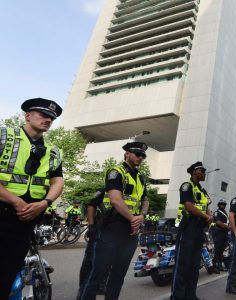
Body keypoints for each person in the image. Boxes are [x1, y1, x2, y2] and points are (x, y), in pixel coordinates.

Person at [0, 98, 64, 299]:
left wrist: (45, 203)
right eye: (43, 115)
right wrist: (15, 200)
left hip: (23, 222)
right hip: (4, 211)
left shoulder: (53, 151)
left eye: (51, 118)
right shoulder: (4, 135)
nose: (48, 120)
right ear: (27, 115)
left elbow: (57, 183)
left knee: (7, 275)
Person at [79, 142, 149, 300]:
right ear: (127, 154)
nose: (140, 157)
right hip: (112, 228)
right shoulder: (116, 172)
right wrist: (133, 219)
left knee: (118, 276)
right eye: (137, 154)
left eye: (143, 155)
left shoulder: (140, 177)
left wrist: (142, 216)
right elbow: (115, 200)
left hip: (130, 231)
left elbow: (145, 199)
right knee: (96, 276)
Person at [171, 161, 212, 300]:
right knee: (183, 264)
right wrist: (206, 216)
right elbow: (189, 206)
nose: (204, 173)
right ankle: (177, 297)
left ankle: (190, 295)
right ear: (194, 172)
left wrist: (209, 215)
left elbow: (207, 206)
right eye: (202, 170)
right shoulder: (187, 186)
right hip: (187, 228)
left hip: (199, 230)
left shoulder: (203, 190)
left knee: (194, 266)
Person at [79, 188, 107, 295]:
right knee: (90, 259)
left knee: (108, 260)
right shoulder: (103, 191)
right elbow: (91, 205)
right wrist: (91, 225)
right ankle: (82, 287)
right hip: (98, 228)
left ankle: (101, 285)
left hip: (113, 230)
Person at [212, 198, 230, 272]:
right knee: (217, 250)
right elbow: (218, 222)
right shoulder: (217, 212)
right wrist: (228, 227)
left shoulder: (225, 213)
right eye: (221, 204)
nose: (223, 205)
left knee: (222, 250)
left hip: (224, 233)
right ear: (219, 205)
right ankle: (214, 266)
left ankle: (219, 265)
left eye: (224, 204)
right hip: (218, 233)